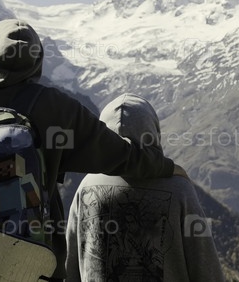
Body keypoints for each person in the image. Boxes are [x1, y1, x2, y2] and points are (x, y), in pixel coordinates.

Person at [0, 19, 185, 281]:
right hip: (35, 264)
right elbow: (122, 156)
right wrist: (167, 168)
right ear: (37, 59)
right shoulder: (57, 108)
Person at [66, 93, 225, 282]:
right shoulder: (179, 190)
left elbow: (71, 264)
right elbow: (205, 267)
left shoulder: (86, 186)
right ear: (153, 132)